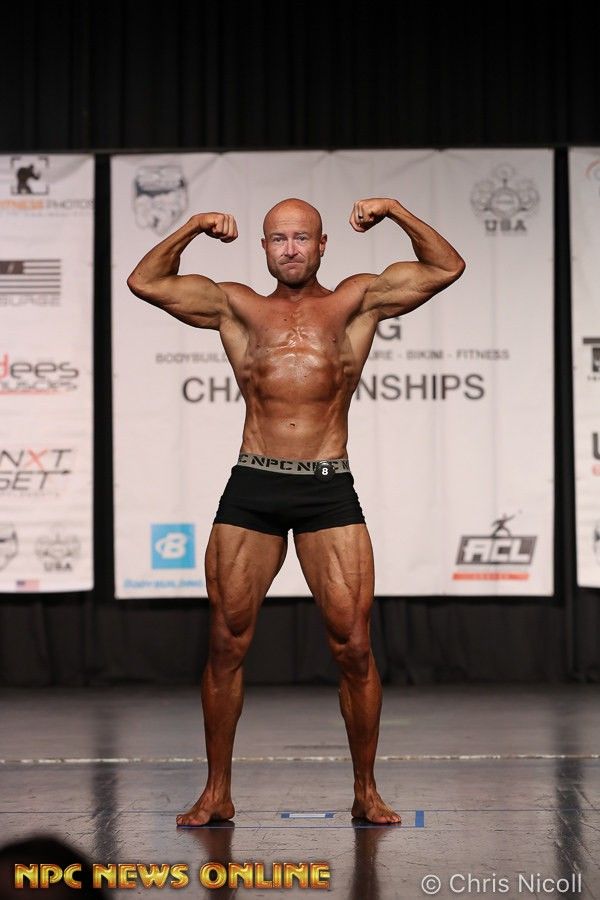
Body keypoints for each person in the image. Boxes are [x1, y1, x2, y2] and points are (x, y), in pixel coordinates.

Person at [127, 195, 465, 826]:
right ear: (264, 247)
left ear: (322, 244)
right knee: (225, 642)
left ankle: (366, 791)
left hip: (326, 486)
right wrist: (194, 226)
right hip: (254, 484)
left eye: (301, 238)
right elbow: (146, 281)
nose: (290, 249)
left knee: (354, 646)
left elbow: (446, 266)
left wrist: (395, 211)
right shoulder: (236, 306)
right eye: (279, 239)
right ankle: (217, 791)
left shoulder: (357, 301)